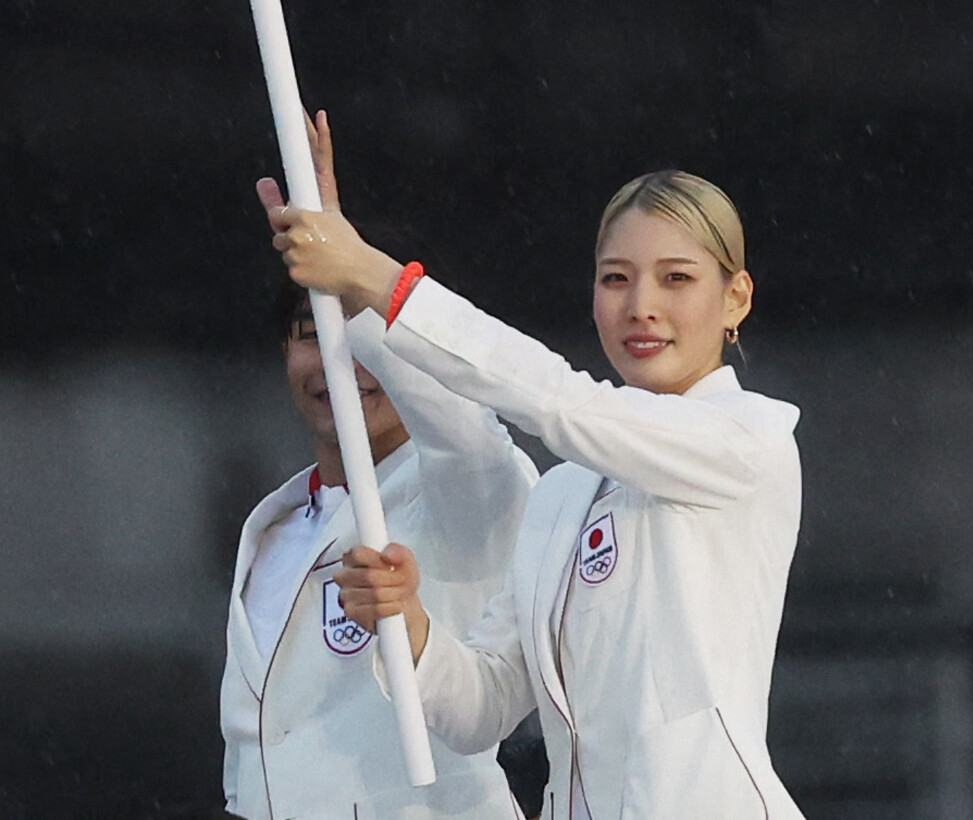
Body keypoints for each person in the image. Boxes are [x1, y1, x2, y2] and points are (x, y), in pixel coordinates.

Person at [260, 112, 805, 819]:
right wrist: (408, 620)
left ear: (736, 297)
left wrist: (370, 275)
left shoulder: (748, 440)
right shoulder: (565, 494)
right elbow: (483, 705)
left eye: (676, 279)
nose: (641, 306)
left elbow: (558, 402)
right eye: (616, 279)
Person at [221, 118, 540, 819]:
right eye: (313, 334)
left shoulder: (466, 492)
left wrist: (355, 271)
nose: (339, 363)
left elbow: (468, 432)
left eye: (359, 332)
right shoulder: (274, 529)